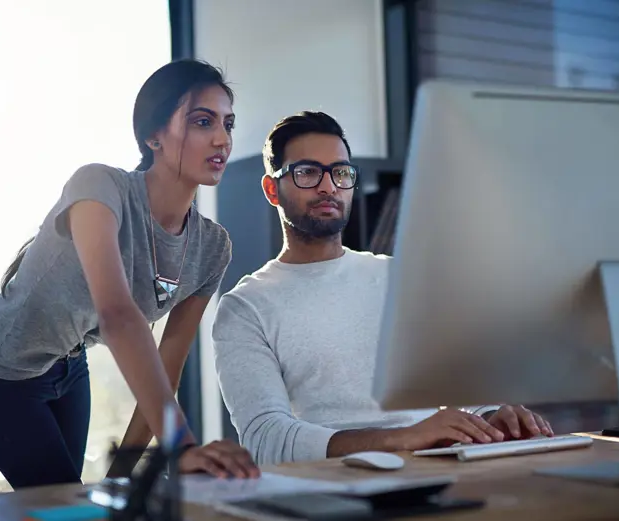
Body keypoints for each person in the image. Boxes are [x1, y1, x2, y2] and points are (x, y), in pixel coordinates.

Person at [0, 59, 259, 489]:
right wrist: (181, 447)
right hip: (1, 372)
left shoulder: (213, 248)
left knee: (84, 502)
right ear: (153, 135)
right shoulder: (99, 187)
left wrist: (124, 482)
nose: (221, 138)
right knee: (62, 501)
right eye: (202, 121)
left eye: (228, 124)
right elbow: (117, 315)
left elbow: (166, 367)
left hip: (69, 369)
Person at [212, 111, 554, 465]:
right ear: (272, 189)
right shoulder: (245, 307)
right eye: (308, 173)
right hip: (334, 486)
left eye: (341, 173)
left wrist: (492, 417)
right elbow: (267, 440)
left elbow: (460, 388)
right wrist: (402, 439)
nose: (329, 187)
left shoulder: (397, 276)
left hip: (440, 468)